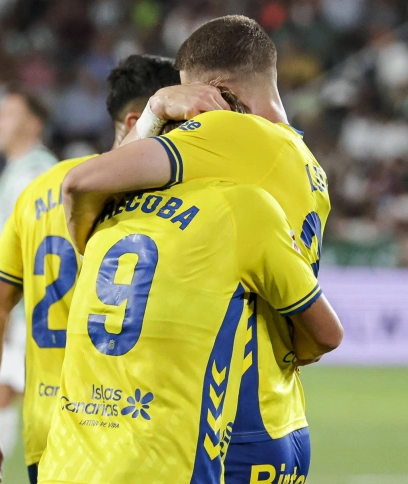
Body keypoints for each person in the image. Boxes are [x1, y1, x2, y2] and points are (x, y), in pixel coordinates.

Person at [58, 15, 332, 482]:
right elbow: (311, 329)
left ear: (219, 93)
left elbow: (83, 182)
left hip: (224, 421)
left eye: (189, 97)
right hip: (280, 410)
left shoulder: (234, 133)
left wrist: (155, 109)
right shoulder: (308, 168)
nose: (184, 117)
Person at [0, 55, 181, 484]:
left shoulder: (39, 189)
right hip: (133, 437)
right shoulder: (175, 202)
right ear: (141, 120)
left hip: (48, 434)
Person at [38, 178, 342, 483]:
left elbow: (76, 184)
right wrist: (297, 350)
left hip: (66, 465)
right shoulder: (238, 208)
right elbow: (327, 335)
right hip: (165, 466)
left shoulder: (105, 206)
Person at [0, 86, 58, 463]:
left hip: (33, 308)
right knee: (5, 390)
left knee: (29, 393)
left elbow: (36, 249)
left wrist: (8, 307)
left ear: (34, 123)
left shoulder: (33, 175)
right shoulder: (23, 170)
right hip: (28, 308)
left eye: (8, 114)